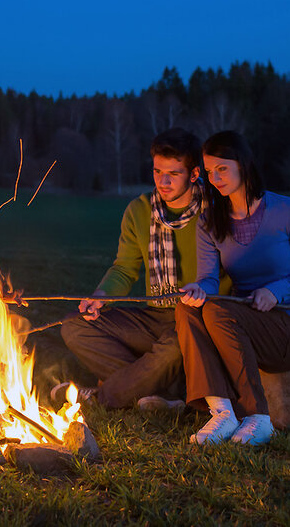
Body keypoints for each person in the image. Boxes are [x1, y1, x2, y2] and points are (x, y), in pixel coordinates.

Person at [56, 128, 224, 410]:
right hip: (154, 313)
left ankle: (104, 396)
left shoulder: (218, 210)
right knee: (74, 326)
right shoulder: (139, 210)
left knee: (173, 348)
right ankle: (164, 392)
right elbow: (124, 268)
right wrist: (101, 295)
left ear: (195, 174)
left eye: (174, 173)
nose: (163, 181)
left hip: (198, 317)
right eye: (158, 171)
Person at [178, 130, 290, 446]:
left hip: (288, 328)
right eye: (209, 171)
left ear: (242, 164)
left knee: (218, 310)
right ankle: (222, 412)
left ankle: (258, 418)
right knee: (187, 307)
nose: (215, 178)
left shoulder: (288, 210)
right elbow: (208, 280)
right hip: (240, 326)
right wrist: (198, 289)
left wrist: (276, 291)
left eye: (222, 169)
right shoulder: (209, 221)